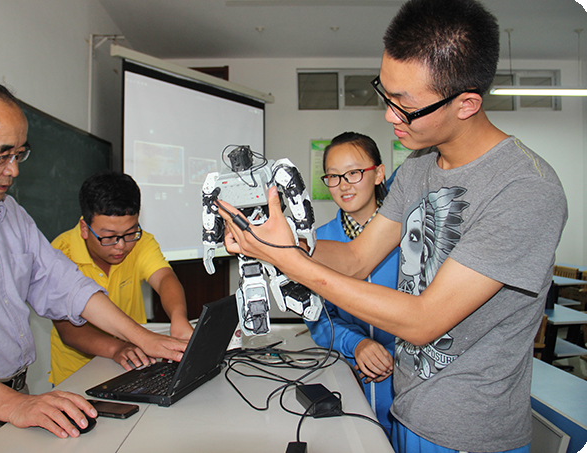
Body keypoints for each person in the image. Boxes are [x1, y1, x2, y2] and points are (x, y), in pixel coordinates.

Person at [218, 0, 568, 452]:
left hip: (469, 433)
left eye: (405, 105)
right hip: (407, 408)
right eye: (386, 95)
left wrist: (288, 261)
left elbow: (423, 321)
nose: (389, 115)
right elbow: (356, 258)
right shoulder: (419, 168)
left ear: (466, 104)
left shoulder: (524, 190)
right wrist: (285, 240)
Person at [0, 81, 186, 452]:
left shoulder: (9, 213)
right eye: (2, 155)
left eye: (19, 155)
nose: (13, 171)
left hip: (18, 394)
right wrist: (17, 405)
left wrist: (143, 337)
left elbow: (67, 286)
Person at [49, 170, 194, 385]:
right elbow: (68, 330)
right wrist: (117, 348)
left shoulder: (141, 243)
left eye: (129, 233)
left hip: (134, 367)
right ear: (84, 229)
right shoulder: (60, 254)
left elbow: (165, 278)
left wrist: (178, 317)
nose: (121, 246)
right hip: (75, 376)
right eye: (109, 237)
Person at [305, 132, 399, 436]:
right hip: (351, 379)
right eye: (333, 176)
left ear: (378, 173)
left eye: (354, 173)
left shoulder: (410, 236)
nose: (343, 185)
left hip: (409, 383)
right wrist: (357, 343)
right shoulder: (318, 243)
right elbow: (319, 318)